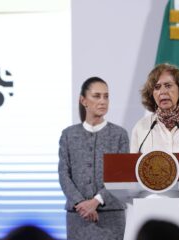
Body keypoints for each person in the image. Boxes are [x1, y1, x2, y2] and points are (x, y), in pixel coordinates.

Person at [58, 77, 129, 240]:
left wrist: (96, 201)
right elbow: (63, 174)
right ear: (83, 100)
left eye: (106, 96)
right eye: (97, 96)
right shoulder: (69, 135)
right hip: (78, 217)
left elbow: (121, 175)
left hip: (111, 217)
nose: (103, 101)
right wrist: (81, 204)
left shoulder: (119, 134)